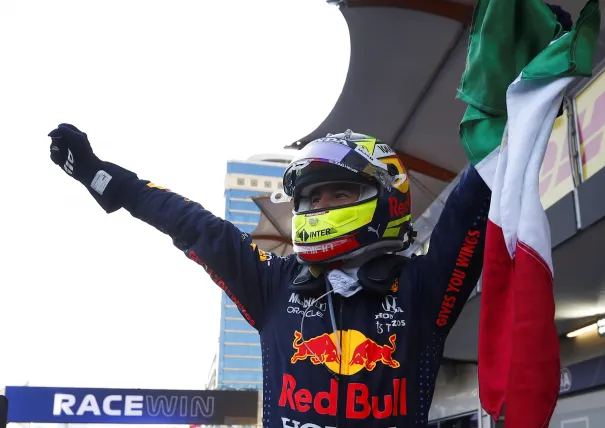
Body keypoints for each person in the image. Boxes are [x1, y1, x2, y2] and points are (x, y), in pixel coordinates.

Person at [48, 124, 491, 428]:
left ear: (386, 197)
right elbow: (193, 224)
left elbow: (472, 199)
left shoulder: (422, 288)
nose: (320, 208)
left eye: (341, 192)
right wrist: (104, 178)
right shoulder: (274, 285)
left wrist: (519, 95)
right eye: (312, 199)